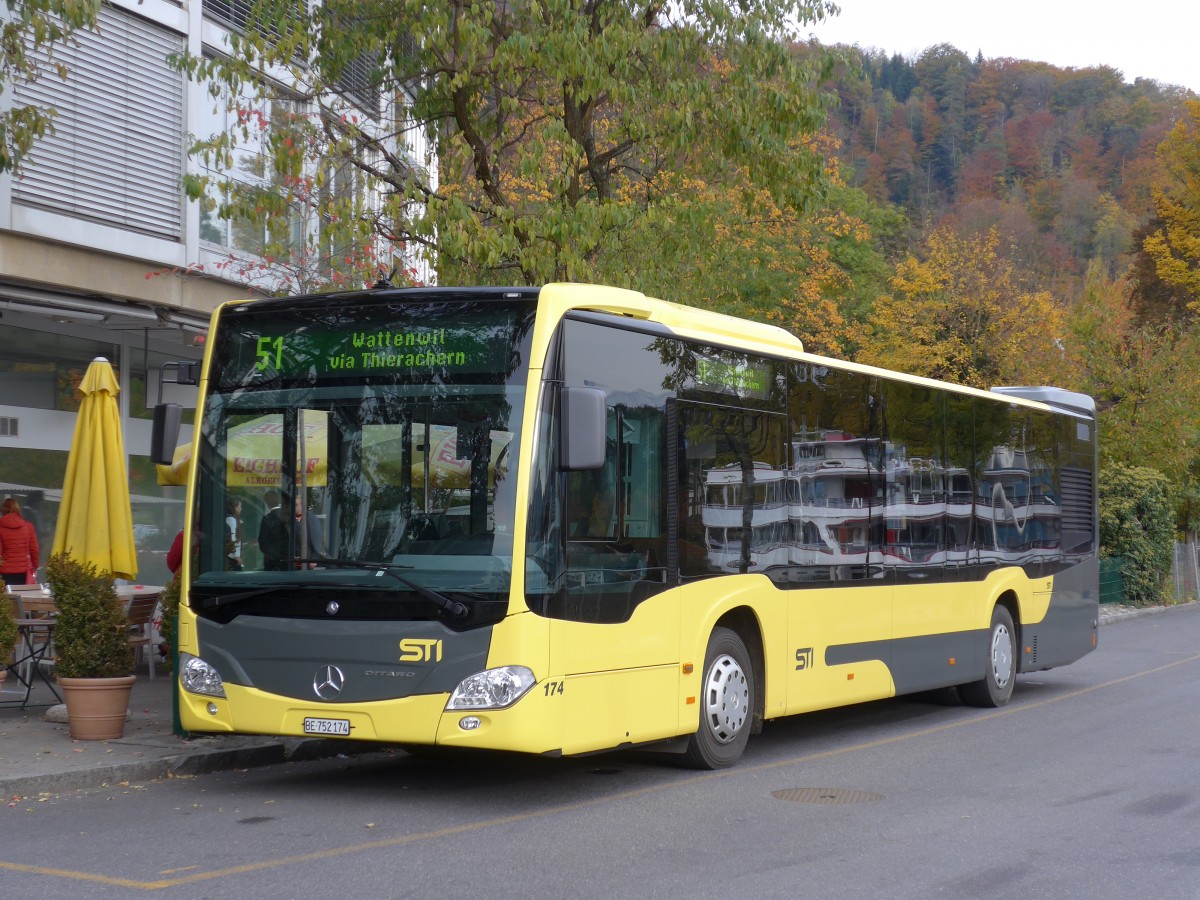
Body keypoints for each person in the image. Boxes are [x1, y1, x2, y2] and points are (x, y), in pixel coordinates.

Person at [0, 496, 40, 586]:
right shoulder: (27, 526)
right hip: (23, 572)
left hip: (4, 571)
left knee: (5, 598)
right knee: (21, 598)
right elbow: (34, 549)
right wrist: (34, 566)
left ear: (3, 510)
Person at [257, 490, 288, 570]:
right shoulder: (287, 516)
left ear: (267, 503)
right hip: (287, 560)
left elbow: (262, 540)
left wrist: (270, 554)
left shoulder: (267, 519)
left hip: (271, 561)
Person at [225, 497, 243, 570]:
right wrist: (236, 556)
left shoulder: (234, 519)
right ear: (235, 507)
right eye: (240, 506)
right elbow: (233, 538)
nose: (241, 509)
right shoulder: (231, 519)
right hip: (232, 557)